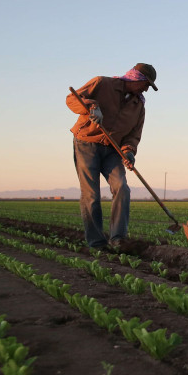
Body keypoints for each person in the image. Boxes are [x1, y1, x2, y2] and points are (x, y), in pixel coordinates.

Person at [66, 63, 158, 249]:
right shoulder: (102, 83)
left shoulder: (138, 106)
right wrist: (91, 107)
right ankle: (97, 243)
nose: (146, 90)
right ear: (136, 78)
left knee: (122, 187)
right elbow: (72, 99)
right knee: (91, 194)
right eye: (146, 84)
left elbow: (133, 135)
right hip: (87, 143)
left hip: (113, 149)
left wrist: (129, 152)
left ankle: (118, 239)